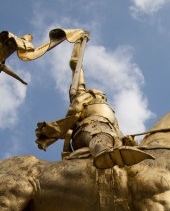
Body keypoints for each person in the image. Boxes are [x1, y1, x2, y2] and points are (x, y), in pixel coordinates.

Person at [36, 39, 153, 169]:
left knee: (113, 138)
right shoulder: (83, 96)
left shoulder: (110, 112)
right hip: (87, 130)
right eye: (98, 94)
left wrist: (129, 141)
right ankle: (103, 153)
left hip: (109, 131)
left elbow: (117, 131)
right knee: (102, 136)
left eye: (103, 95)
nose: (101, 95)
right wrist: (78, 47)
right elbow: (76, 66)